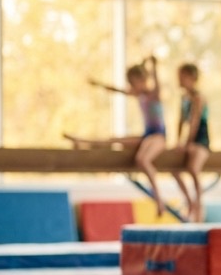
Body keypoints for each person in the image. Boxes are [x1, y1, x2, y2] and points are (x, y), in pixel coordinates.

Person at [66, 56, 168, 216]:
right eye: (130, 84)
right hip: (146, 136)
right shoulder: (138, 95)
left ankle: (159, 199)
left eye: (133, 83)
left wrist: (154, 66)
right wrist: (99, 84)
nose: (131, 87)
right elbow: (117, 90)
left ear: (142, 80)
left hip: (158, 137)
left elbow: (156, 82)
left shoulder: (153, 94)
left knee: (143, 160)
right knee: (114, 140)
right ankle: (83, 142)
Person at [174, 63, 211, 221]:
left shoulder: (198, 97)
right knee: (173, 169)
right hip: (189, 142)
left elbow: (194, 122)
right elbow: (181, 121)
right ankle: (189, 201)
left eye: (182, 76)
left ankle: (199, 206)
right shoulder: (184, 98)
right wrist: (178, 141)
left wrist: (187, 142)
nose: (178, 79)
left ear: (191, 78)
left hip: (201, 141)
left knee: (193, 168)